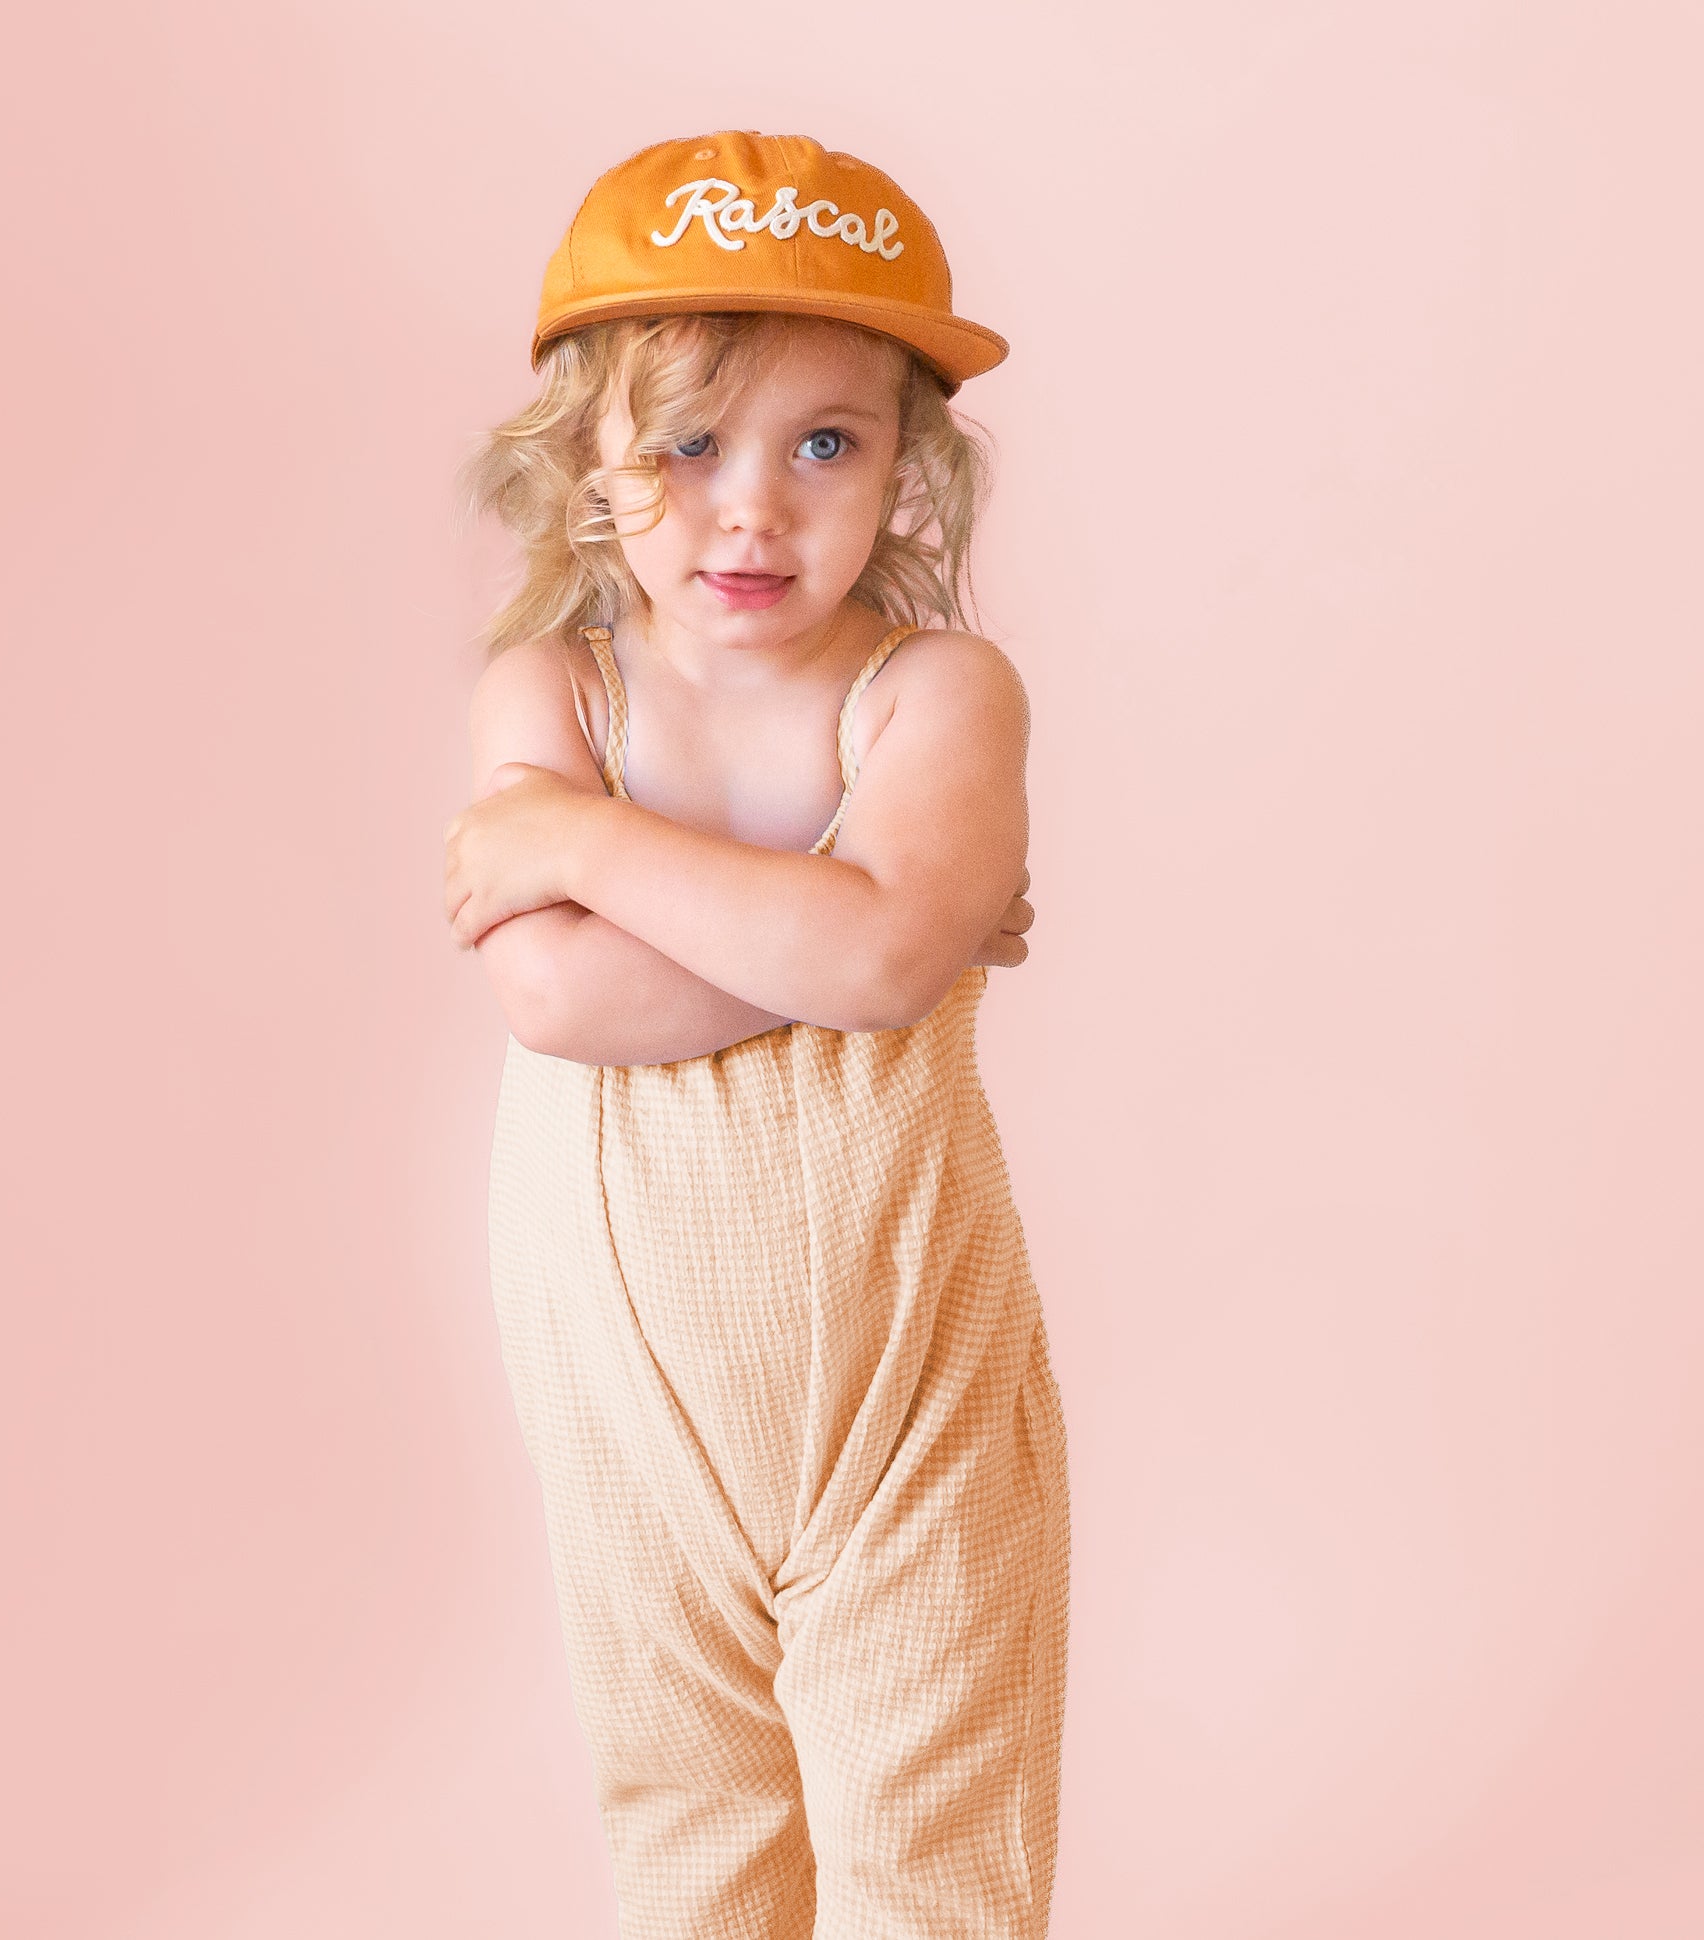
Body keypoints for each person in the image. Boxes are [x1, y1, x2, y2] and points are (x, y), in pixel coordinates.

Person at [443, 129, 1070, 1940]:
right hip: (626, 1387)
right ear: (584, 468)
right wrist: (867, 922)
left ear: (909, 467)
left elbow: (871, 971)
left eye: (826, 442)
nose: (753, 508)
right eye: (688, 442)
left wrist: (578, 844)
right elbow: (560, 996)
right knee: (690, 1817)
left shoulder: (938, 689)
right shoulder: (551, 687)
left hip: (907, 1381)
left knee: (933, 1829)